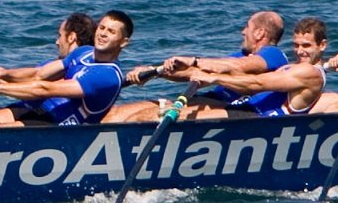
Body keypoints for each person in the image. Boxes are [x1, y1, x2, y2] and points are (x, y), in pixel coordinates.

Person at [121, 9, 292, 120]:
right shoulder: (241, 55)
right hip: (206, 101)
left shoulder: (273, 54)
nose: (243, 31)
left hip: (234, 110)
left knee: (143, 118)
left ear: (260, 32)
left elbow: (240, 67)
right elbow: (191, 73)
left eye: (247, 27)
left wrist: (194, 60)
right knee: (124, 113)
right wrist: (154, 72)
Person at [0, 10, 133, 126]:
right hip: (45, 113)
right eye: (101, 28)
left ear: (124, 42)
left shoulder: (107, 75)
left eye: (111, 31)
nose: (103, 34)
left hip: (60, 129)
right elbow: (38, 74)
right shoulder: (83, 53)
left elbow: (45, 89)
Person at [187, 16, 330, 117]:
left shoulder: (310, 72)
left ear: (322, 45)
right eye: (296, 45)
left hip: (259, 120)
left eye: (306, 46)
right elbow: (254, 79)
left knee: (186, 117)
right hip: (246, 108)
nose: (299, 51)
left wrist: (215, 78)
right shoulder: (294, 67)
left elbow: (257, 83)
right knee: (173, 109)